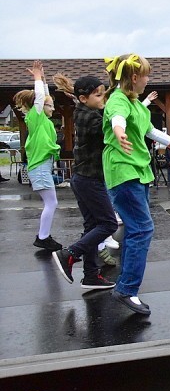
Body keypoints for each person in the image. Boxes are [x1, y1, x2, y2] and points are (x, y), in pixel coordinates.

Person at [102, 54, 170, 315]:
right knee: (142, 228)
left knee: (134, 229)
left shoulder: (136, 103)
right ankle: (126, 289)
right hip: (125, 173)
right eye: (146, 75)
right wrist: (119, 133)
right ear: (134, 78)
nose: (148, 80)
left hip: (138, 172)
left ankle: (101, 257)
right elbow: (117, 119)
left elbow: (149, 132)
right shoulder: (119, 100)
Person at [50, 74, 116, 289]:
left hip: (83, 179)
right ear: (83, 98)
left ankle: (90, 275)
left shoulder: (85, 111)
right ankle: (70, 254)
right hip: (90, 180)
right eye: (98, 95)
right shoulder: (88, 117)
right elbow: (109, 127)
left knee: (92, 226)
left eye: (103, 94)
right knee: (108, 223)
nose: (102, 98)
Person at [14, 61, 62, 251]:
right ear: (40, 106)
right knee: (51, 202)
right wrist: (36, 78)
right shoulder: (35, 117)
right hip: (40, 167)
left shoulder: (45, 122)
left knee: (51, 202)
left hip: (43, 166)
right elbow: (42, 98)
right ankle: (43, 237)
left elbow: (45, 96)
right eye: (50, 106)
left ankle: (43, 236)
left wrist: (42, 79)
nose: (53, 107)